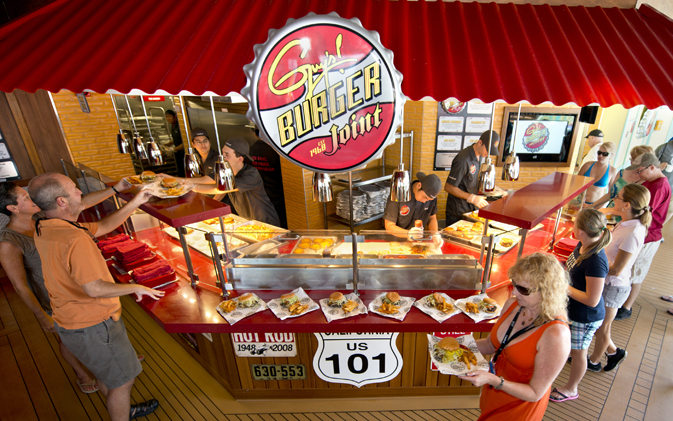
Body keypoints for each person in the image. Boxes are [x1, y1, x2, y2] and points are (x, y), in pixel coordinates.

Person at [28, 173, 164, 420]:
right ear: (61, 201)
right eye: (74, 189)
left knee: (108, 374)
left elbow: (102, 227)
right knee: (123, 382)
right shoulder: (75, 238)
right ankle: (121, 412)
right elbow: (94, 288)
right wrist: (135, 287)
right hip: (94, 324)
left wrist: (135, 202)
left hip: (70, 321)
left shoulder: (43, 225)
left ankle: (122, 408)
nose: (81, 192)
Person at [0, 178, 135, 394]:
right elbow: (18, 285)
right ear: (13, 208)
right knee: (69, 339)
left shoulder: (41, 218)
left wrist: (113, 189)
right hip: (52, 298)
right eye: (25, 197)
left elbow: (80, 203)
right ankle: (82, 373)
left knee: (96, 335)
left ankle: (114, 359)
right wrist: (41, 315)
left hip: (78, 288)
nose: (31, 198)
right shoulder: (9, 241)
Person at [458, 252, 570, 420]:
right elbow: (491, 344)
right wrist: (459, 344)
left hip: (520, 404)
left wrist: (495, 381)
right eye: (514, 284)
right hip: (495, 390)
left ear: (547, 291)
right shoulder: (513, 304)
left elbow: (535, 393)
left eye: (523, 289)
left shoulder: (556, 334)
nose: (515, 293)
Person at [550, 209, 610, 403]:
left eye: (575, 224)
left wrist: (562, 286)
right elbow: (571, 268)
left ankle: (571, 388)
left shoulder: (596, 261)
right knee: (571, 348)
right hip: (572, 309)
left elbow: (592, 299)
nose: (572, 227)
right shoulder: (582, 245)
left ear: (581, 231)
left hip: (585, 315)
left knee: (578, 352)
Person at [589, 184, 650, 372]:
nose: (614, 198)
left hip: (614, 286)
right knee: (599, 325)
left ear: (627, 205)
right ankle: (615, 352)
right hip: (608, 283)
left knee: (602, 327)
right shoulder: (625, 223)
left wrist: (590, 267)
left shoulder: (632, 233)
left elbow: (616, 269)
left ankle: (594, 362)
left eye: (619, 197)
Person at [616, 153, 671, 320]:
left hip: (649, 237)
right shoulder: (650, 182)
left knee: (636, 273)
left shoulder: (658, 186)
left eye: (640, 171)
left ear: (652, 167)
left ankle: (627, 307)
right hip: (643, 234)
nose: (638, 175)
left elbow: (643, 212)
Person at [444, 130, 502, 227]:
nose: (488, 154)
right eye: (487, 150)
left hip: (470, 210)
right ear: (480, 142)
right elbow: (448, 187)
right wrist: (471, 198)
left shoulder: (480, 156)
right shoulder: (463, 160)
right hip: (458, 213)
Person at [591, 145, 651, 211]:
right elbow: (609, 195)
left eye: (635, 160)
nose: (632, 163)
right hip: (609, 212)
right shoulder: (622, 172)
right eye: (632, 159)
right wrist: (592, 206)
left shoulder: (647, 181)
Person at [383, 172, 441, 241]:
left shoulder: (430, 198)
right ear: (419, 185)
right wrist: (409, 234)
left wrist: (435, 234)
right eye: (424, 197)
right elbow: (389, 226)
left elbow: (432, 218)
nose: (425, 201)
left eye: (429, 200)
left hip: (418, 241)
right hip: (396, 241)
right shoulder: (398, 194)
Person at [250, 128, 287, 228]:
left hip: (261, 196)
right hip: (278, 194)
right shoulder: (276, 150)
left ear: (255, 134)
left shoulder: (250, 150)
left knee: (269, 226)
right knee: (283, 225)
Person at [576, 142, 619, 207]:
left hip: (596, 206)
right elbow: (576, 183)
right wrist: (580, 196)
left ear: (611, 155)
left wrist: (598, 207)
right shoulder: (587, 165)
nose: (600, 156)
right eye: (599, 153)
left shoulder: (612, 171)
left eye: (605, 154)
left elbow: (611, 194)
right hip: (580, 203)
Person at [164, 110, 185, 177]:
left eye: (169, 116)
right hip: (178, 154)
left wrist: (174, 149)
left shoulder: (180, 126)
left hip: (184, 153)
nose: (168, 119)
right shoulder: (173, 126)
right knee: (180, 171)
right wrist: (169, 143)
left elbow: (185, 142)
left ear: (175, 117)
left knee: (184, 172)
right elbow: (177, 138)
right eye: (166, 117)